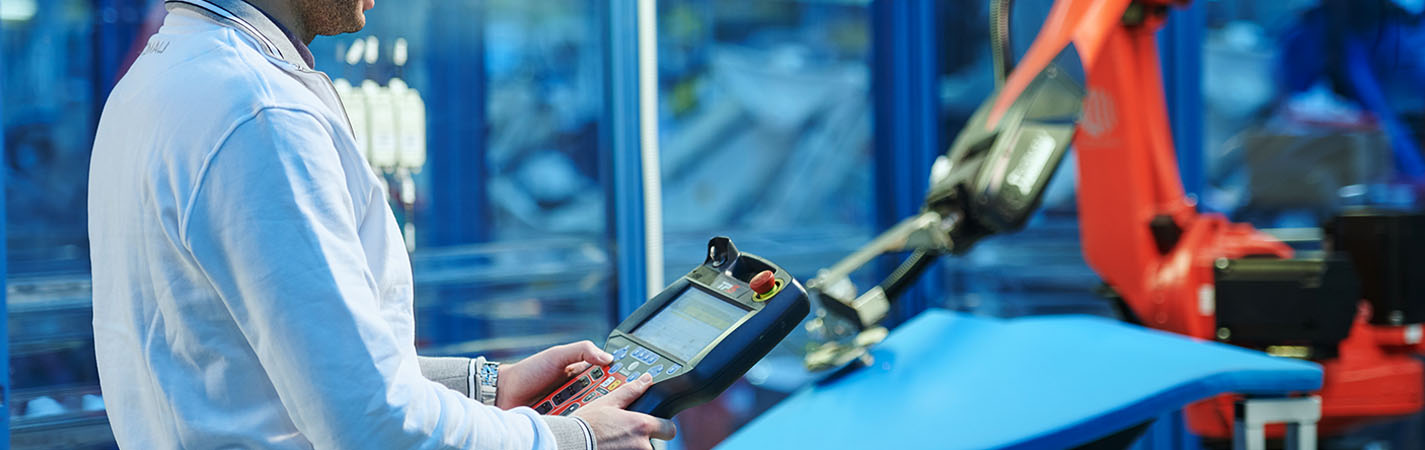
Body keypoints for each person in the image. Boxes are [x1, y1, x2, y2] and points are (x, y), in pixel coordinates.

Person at [86, 0, 676, 448]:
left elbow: (287, 366)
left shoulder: (155, 83)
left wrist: (488, 387)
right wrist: (572, 438)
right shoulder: (262, 116)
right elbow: (373, 421)